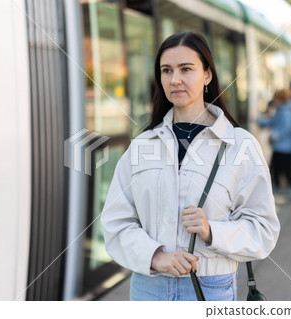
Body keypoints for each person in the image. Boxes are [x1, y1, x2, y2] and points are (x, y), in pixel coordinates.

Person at [100, 31, 280, 301]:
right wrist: (156, 257)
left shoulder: (239, 144)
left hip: (210, 289)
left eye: (186, 69)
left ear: (207, 75)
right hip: (148, 290)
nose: (175, 80)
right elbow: (116, 223)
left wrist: (212, 231)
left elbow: (263, 230)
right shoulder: (143, 145)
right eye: (166, 70)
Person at [257, 89, 291, 199]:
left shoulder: (286, 112)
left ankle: (290, 187)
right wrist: (260, 121)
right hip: (281, 146)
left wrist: (274, 136)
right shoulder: (281, 110)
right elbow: (272, 122)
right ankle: (279, 186)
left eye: (275, 98)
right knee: (276, 168)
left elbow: (286, 128)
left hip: (286, 146)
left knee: (286, 168)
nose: (273, 100)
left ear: (280, 99)